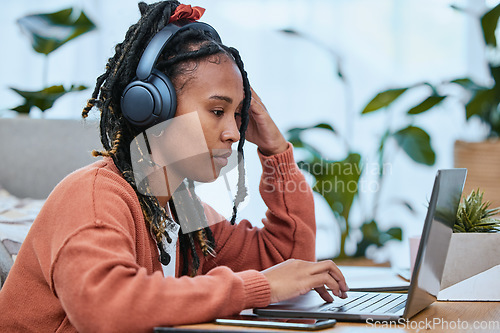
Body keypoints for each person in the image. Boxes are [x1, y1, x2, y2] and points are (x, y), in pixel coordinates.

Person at [0, 1, 348, 332]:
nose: (233, 133)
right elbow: (107, 309)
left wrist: (275, 150)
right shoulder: (94, 197)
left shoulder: (183, 213)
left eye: (239, 115)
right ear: (153, 107)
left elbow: (289, 261)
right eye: (217, 111)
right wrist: (255, 287)